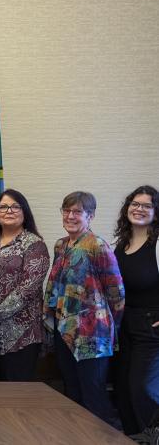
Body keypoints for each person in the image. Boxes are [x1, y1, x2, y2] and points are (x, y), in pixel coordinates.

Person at [45, 191, 124, 427]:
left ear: (90, 216)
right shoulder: (61, 245)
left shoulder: (98, 245)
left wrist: (109, 325)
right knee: (71, 392)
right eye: (66, 211)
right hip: (64, 330)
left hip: (93, 335)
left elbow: (116, 293)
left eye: (77, 211)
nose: (70, 216)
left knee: (93, 396)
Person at [0, 189, 50, 381]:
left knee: (16, 396)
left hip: (22, 334)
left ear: (24, 211)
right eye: (3, 207)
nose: (8, 211)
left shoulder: (35, 244)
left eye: (15, 206)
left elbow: (28, 288)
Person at [113, 185, 159, 435]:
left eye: (147, 205)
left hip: (151, 329)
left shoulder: (157, 244)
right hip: (124, 325)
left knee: (142, 389)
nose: (139, 209)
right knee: (122, 390)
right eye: (135, 204)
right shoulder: (121, 244)